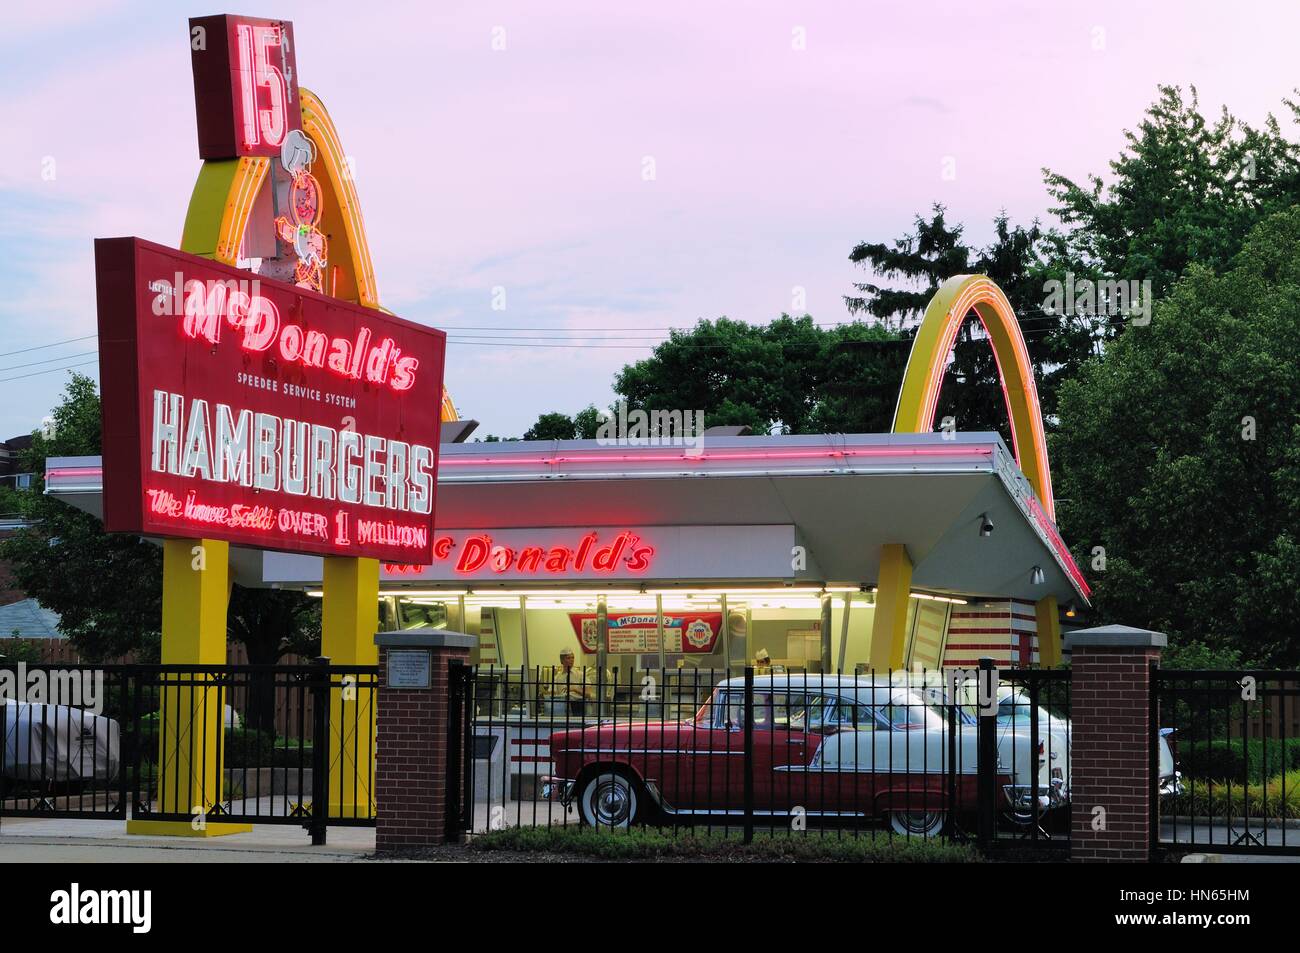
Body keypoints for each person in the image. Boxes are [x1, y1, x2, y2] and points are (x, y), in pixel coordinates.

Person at [539, 648, 602, 718]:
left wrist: (574, 689)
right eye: (568, 658)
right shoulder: (557, 677)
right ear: (562, 661)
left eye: (573, 658)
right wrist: (546, 693)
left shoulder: (581, 675)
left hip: (578, 706)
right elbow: (552, 693)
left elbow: (588, 694)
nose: (571, 660)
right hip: (562, 708)